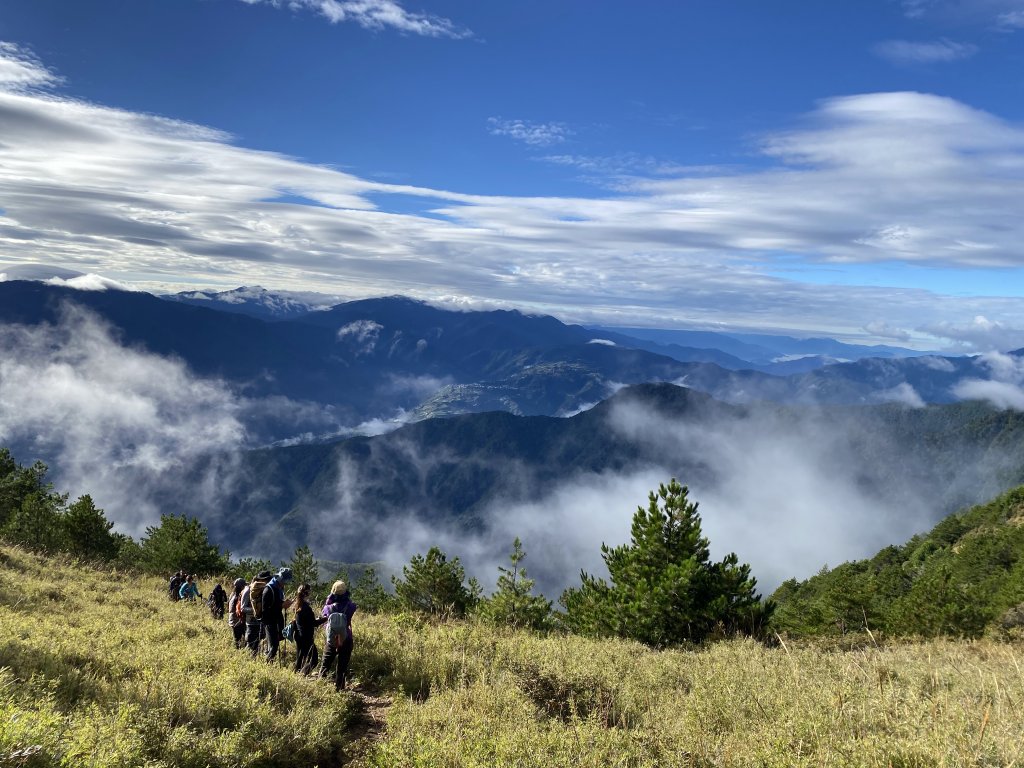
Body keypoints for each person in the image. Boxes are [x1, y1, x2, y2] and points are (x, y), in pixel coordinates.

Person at [319, 580, 357, 690]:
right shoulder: (351, 606)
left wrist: (330, 598)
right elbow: (352, 604)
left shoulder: (328, 608)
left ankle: (320, 685)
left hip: (332, 638)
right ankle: (339, 687)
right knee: (342, 665)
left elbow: (324, 611)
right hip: (346, 637)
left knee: (326, 663)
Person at [291, 583, 327, 674]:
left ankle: (295, 674)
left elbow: (306, 621)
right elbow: (313, 623)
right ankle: (303, 674)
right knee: (314, 660)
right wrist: (325, 619)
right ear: (307, 593)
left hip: (298, 635)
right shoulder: (306, 608)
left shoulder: (297, 605)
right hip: (306, 637)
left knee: (300, 657)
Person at [261, 567, 294, 661]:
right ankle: (267, 663)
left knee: (274, 643)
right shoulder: (269, 589)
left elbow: (276, 602)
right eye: (285, 581)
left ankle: (268, 660)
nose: (285, 584)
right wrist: (282, 605)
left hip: (276, 620)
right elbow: (265, 610)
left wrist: (284, 603)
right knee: (274, 646)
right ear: (280, 578)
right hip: (270, 622)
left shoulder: (278, 587)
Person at [227, 578, 247, 648]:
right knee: (244, 639)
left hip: (232, 620)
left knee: (237, 640)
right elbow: (240, 610)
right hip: (238, 621)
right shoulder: (239, 597)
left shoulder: (232, 595)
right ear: (241, 587)